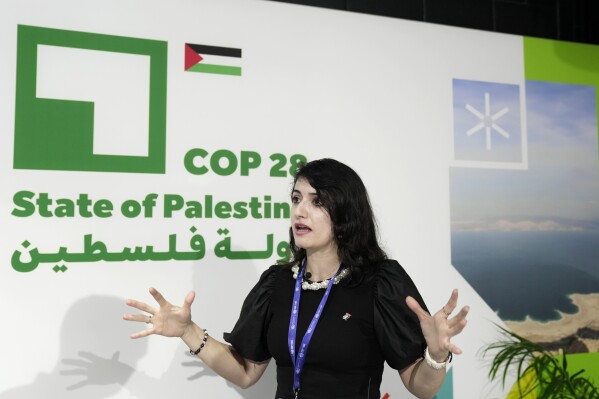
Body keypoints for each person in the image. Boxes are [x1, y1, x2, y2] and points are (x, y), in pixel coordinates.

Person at [124, 158, 469, 399]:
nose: (300, 211)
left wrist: (436, 355)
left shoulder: (378, 282)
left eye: (317, 202)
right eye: (296, 198)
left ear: (346, 214)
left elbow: (421, 387)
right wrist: (187, 330)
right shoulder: (277, 283)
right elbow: (246, 372)